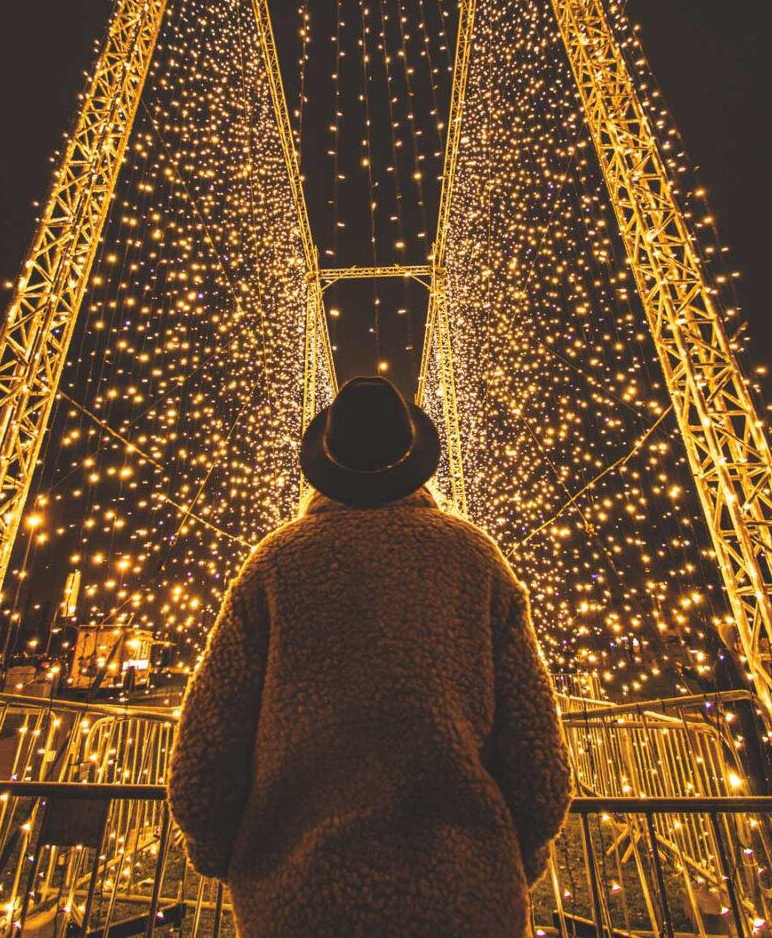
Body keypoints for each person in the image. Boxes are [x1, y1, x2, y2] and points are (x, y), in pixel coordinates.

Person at [167, 376, 572, 937]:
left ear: (327, 461)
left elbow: (205, 750)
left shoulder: (274, 565)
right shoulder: (475, 559)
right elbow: (538, 757)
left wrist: (221, 853)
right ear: (414, 459)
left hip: (296, 900)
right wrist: (517, 856)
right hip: (465, 896)